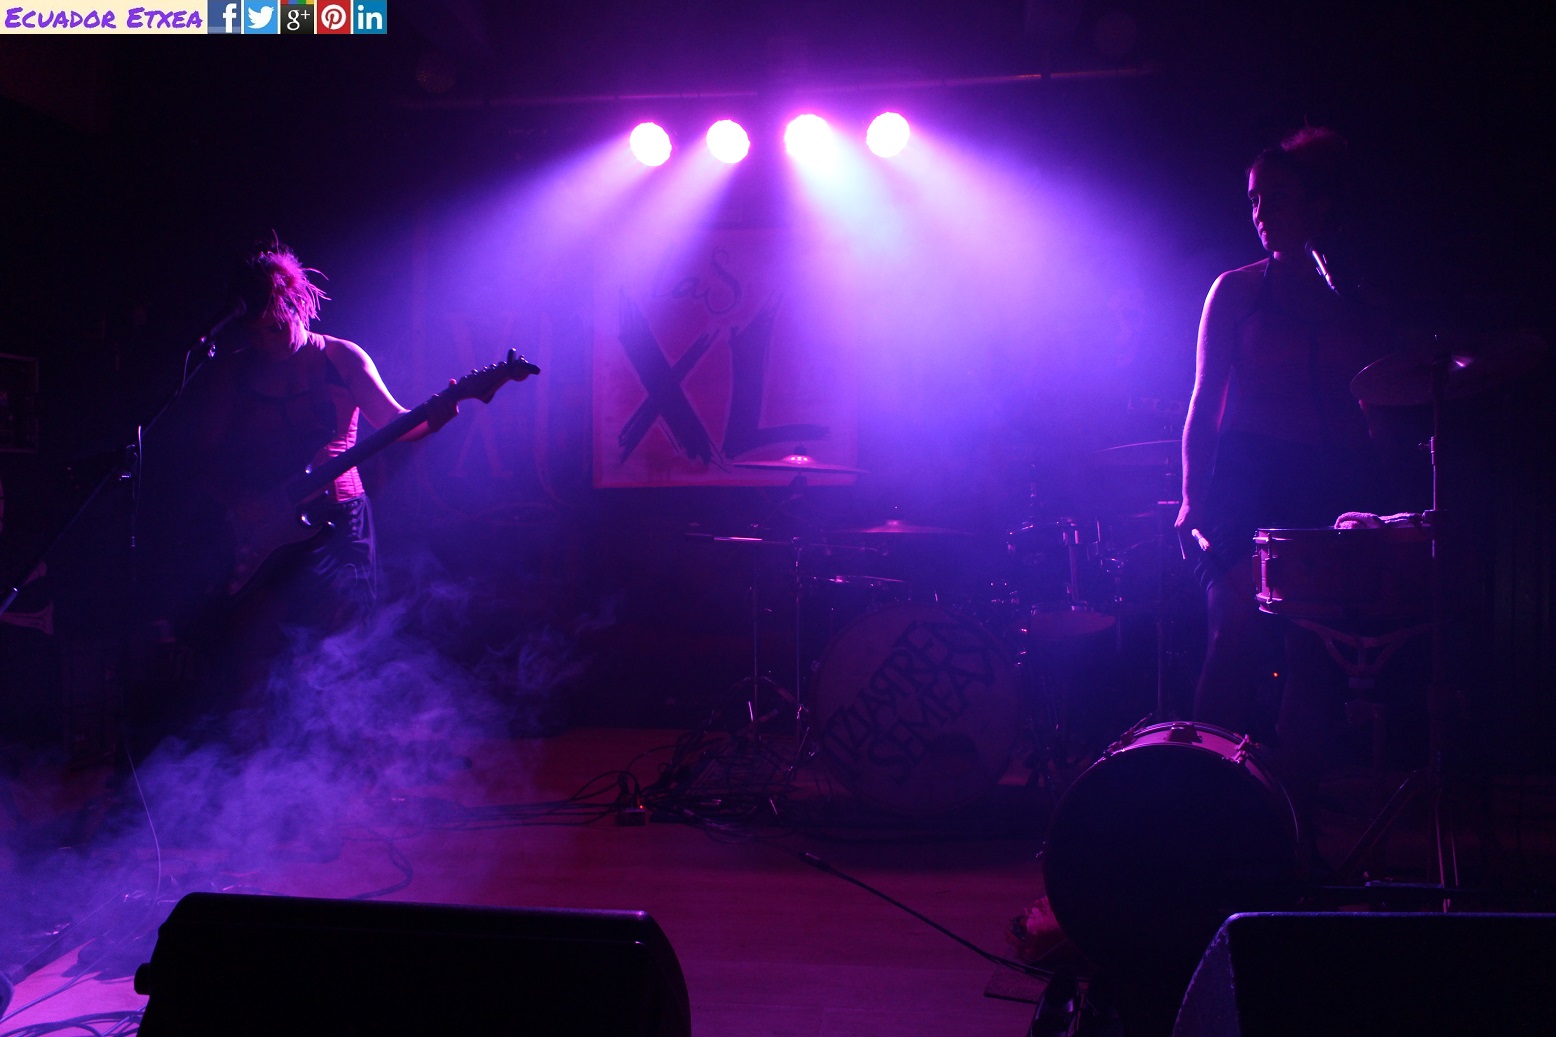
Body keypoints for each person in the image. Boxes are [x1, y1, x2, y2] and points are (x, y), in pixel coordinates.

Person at [1176, 127, 1391, 787]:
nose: (1262, 212)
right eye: (1254, 199)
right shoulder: (1236, 291)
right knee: (1233, 627)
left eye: (1278, 197)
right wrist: (1191, 498)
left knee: (1310, 648)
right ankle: (1202, 793)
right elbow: (1204, 400)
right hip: (1247, 478)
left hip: (1325, 479)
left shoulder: (1350, 296)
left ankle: (1294, 804)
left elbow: (1376, 399)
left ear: (1318, 204)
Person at [191, 241, 456, 732]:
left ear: (298, 307)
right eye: (256, 333)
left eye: (276, 328)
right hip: (266, 528)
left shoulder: (340, 357)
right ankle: (266, 756)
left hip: (339, 522)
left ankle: (346, 755)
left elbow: (396, 423)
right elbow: (201, 457)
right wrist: (236, 504)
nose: (268, 343)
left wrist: (439, 414)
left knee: (341, 645)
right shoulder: (237, 371)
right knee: (261, 652)